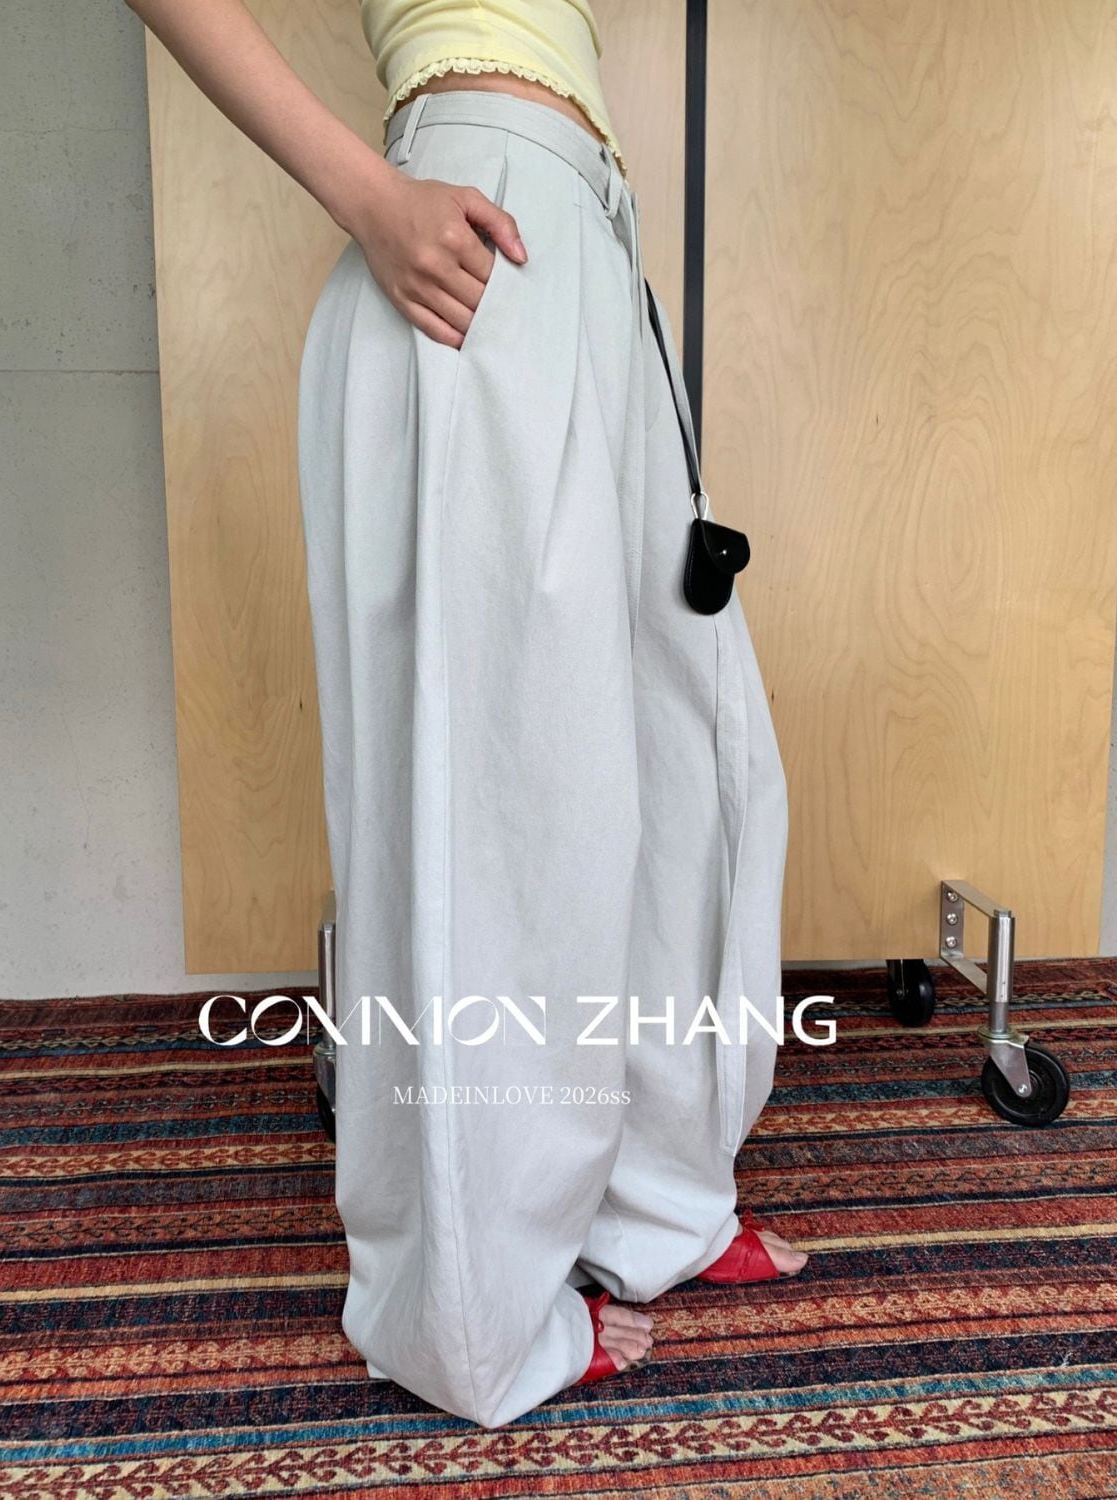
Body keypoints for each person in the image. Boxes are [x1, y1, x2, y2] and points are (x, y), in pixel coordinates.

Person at [124, 0, 806, 1428]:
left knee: (680, 771)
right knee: (491, 812)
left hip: (587, 249)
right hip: (472, 231)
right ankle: (470, 1319)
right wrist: (366, 195)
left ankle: (652, 1206)